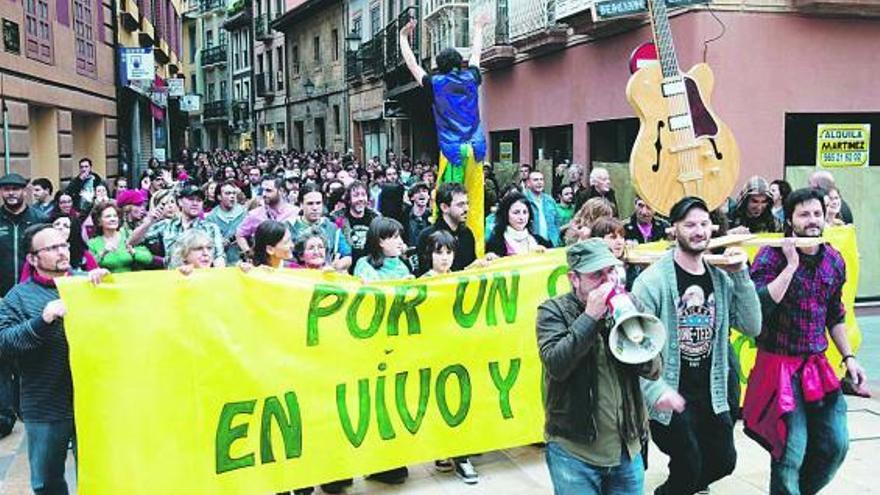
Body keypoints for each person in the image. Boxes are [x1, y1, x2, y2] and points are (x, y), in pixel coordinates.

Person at [632, 196, 762, 495]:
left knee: (723, 461)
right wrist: (654, 392)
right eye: (690, 224)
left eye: (704, 224)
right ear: (673, 229)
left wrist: (741, 274)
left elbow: (752, 326)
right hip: (668, 392)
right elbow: (636, 347)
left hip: (711, 393)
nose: (699, 231)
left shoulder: (721, 278)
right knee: (689, 463)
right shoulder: (651, 282)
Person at [744, 187, 865, 495]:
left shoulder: (834, 260)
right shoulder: (770, 256)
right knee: (790, 450)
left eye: (817, 213)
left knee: (836, 445)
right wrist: (791, 266)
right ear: (789, 219)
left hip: (817, 366)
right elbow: (757, 306)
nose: (812, 220)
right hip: (778, 367)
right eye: (804, 214)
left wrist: (849, 358)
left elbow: (835, 315)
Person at [537, 239, 662, 495]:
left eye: (611, 272)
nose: (607, 282)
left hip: (627, 450)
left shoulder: (630, 305)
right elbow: (556, 364)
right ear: (574, 278)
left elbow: (654, 368)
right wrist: (589, 318)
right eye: (596, 275)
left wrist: (630, 327)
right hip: (575, 452)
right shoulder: (553, 311)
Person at [0, 224, 108, 494]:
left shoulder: (88, 283)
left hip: (92, 399)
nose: (62, 251)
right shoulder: (18, 297)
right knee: (47, 481)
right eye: (52, 248)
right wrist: (43, 320)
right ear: (33, 259)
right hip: (44, 402)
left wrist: (111, 289)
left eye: (64, 245)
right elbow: (4, 342)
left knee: (100, 473)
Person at [399, 14, 489, 251]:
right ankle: (477, 251)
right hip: (477, 149)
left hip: (452, 151)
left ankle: (443, 246)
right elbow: (477, 55)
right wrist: (478, 27)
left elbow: (412, 64)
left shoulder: (436, 83)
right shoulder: (471, 77)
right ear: (461, 63)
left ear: (439, 65)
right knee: (474, 203)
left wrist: (402, 38)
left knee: (446, 203)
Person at [129, 184, 226, 268]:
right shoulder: (166, 225)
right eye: (191, 199)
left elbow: (219, 256)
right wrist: (149, 222)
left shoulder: (211, 228)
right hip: (173, 280)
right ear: (180, 202)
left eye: (199, 200)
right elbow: (131, 242)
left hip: (201, 280)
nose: (195, 203)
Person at [414, 182, 482, 276]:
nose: (466, 209)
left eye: (467, 203)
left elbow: (472, 265)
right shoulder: (428, 236)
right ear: (444, 207)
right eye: (460, 205)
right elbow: (424, 276)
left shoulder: (467, 234)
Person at [289, 184, 351, 272]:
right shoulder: (289, 227)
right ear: (301, 205)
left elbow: (347, 256)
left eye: (318, 203)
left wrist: (336, 266)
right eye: (310, 203)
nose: (315, 208)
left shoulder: (332, 228)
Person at [236, 176, 300, 258]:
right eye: (263, 190)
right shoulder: (254, 214)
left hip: (290, 263)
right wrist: (248, 252)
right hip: (263, 264)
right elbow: (240, 234)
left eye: (268, 191)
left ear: (281, 191)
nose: (264, 194)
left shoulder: (295, 212)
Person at [87, 202, 153, 273]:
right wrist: (103, 253)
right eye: (108, 216)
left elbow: (148, 258)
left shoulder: (129, 235)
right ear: (99, 221)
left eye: (115, 216)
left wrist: (133, 252)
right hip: (107, 282)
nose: (113, 219)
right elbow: (88, 267)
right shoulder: (92, 243)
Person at [486, 191, 551, 257]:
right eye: (516, 212)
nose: (521, 217)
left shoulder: (540, 241)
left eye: (525, 212)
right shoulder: (495, 243)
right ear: (505, 214)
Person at [333, 180, 380, 271]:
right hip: (345, 270)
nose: (361, 199)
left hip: (371, 269)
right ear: (349, 200)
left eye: (363, 195)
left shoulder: (376, 218)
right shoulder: (337, 219)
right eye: (356, 195)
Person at [205, 180, 247, 264]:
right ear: (219, 197)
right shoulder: (211, 217)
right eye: (228, 193)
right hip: (221, 264)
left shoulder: (245, 213)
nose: (232, 196)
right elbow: (207, 243)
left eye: (234, 193)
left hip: (242, 262)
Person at [523, 170, 560, 246]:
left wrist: (556, 238)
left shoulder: (550, 200)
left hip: (551, 242)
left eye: (541, 179)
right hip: (531, 243)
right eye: (535, 180)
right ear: (528, 183)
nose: (539, 182)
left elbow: (556, 222)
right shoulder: (523, 200)